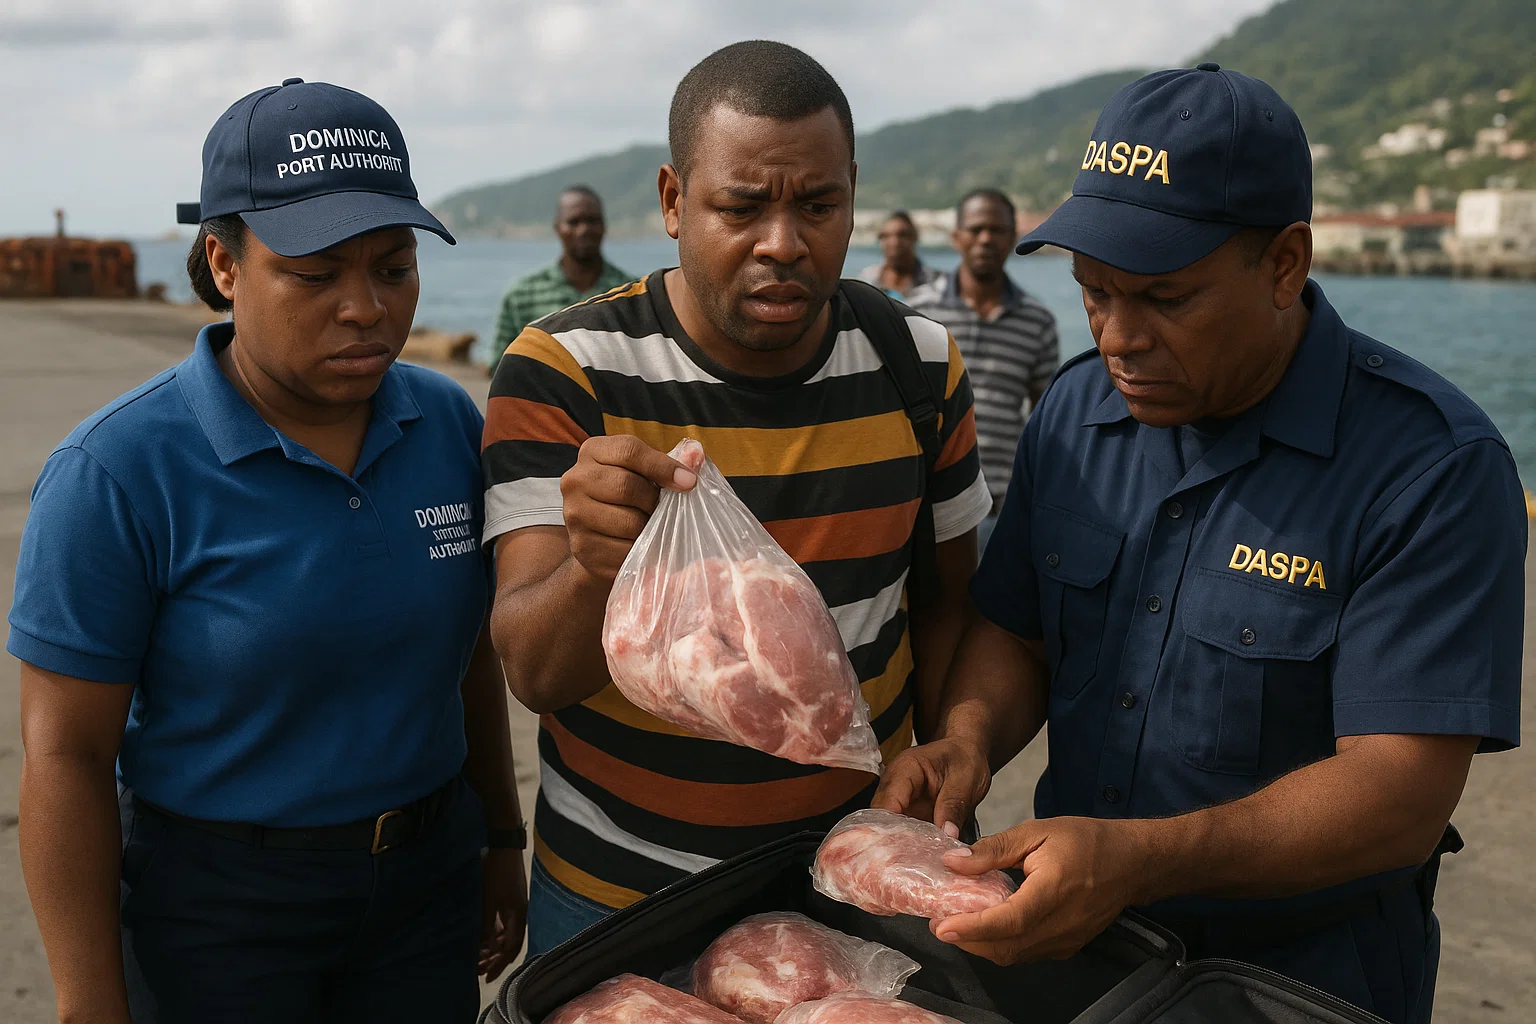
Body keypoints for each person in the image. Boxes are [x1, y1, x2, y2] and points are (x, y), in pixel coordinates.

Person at [875, 63, 1525, 1024]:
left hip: (1302, 975)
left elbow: (1400, 794)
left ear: (1285, 265)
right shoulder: (1075, 412)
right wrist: (965, 743)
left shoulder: (1432, 467)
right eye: (1092, 293)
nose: (1117, 336)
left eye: (1164, 299)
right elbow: (1015, 630)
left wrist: (1139, 861)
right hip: (1082, 947)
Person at [10, 79, 527, 1024]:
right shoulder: (118, 470)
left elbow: (468, 657)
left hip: (423, 888)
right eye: (317, 273)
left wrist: (499, 832)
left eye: (393, 266)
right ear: (225, 262)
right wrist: (89, 1001)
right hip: (214, 913)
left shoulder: (448, 421)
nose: (365, 307)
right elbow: (65, 757)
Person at [481, 41, 990, 957]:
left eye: (820, 206)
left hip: (848, 883)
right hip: (620, 902)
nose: (784, 244)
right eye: (742, 207)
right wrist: (598, 566)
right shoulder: (565, 371)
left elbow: (954, 597)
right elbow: (533, 671)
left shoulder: (917, 363)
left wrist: (952, 743)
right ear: (675, 201)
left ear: (852, 195)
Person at [908, 190, 1058, 551]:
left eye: (996, 229)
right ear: (956, 236)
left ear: (1012, 238)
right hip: (919, 503)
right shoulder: (916, 312)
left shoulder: (1036, 322)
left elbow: (1045, 422)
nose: (986, 239)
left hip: (999, 507)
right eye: (975, 229)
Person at [488, 186, 632, 372]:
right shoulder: (520, 295)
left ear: (604, 226)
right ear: (558, 229)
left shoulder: (631, 294)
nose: (584, 229)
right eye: (573, 222)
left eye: (592, 220)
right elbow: (500, 368)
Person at [857, 210, 940, 297]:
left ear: (915, 237)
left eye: (902, 235)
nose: (894, 242)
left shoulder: (935, 282)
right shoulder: (867, 279)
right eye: (886, 236)